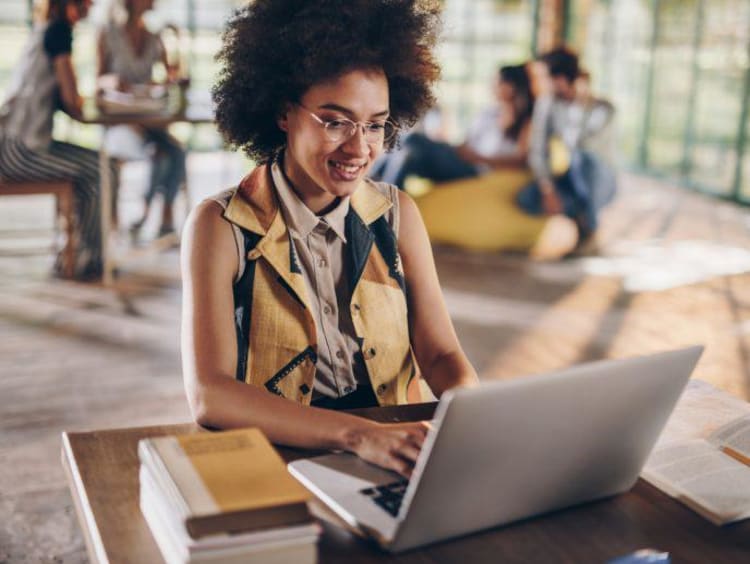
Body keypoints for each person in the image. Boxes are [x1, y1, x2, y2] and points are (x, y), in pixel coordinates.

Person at [181, 0, 479, 478]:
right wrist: (358, 435)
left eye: (376, 124)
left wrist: (476, 418)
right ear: (283, 112)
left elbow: (442, 356)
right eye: (335, 121)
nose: (359, 147)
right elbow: (209, 394)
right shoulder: (221, 225)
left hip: (397, 449)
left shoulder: (398, 214)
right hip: (282, 451)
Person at [0, 0, 114, 280]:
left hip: (14, 144)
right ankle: (88, 260)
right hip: (21, 151)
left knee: (97, 165)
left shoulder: (45, 30)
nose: (93, 4)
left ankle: (78, 254)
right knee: (101, 168)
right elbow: (73, 102)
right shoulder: (59, 33)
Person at [97, 0, 186, 238]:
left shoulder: (154, 37)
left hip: (149, 122)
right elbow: (98, 80)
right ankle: (136, 215)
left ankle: (162, 217)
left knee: (177, 152)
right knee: (157, 155)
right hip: (119, 123)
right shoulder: (107, 33)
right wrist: (112, 81)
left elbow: (171, 76)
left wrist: (165, 81)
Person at [371, 63, 534, 189]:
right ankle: (378, 193)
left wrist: (479, 158)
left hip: (475, 169)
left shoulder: (526, 120)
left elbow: (521, 159)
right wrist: (453, 148)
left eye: (497, 82)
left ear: (511, 87)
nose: (492, 87)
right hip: (463, 159)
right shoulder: (489, 113)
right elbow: (467, 144)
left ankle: (376, 188)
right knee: (406, 154)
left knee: (412, 139)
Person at [517, 46, 617, 251]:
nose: (538, 83)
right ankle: (586, 225)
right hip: (572, 178)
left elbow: (585, 145)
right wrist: (548, 188)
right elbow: (538, 149)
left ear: (561, 78)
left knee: (583, 158)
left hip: (599, 180)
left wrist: (579, 102)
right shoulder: (548, 104)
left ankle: (589, 228)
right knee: (528, 198)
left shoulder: (603, 108)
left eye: (543, 77)